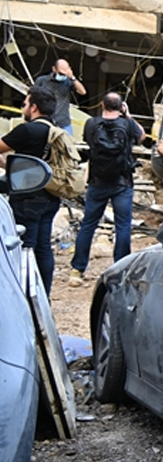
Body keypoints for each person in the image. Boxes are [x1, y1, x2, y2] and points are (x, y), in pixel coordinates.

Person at [68, 93, 144, 287]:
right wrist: (128, 116)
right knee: (123, 225)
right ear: (121, 107)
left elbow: (89, 143)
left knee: (88, 225)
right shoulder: (127, 125)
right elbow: (142, 136)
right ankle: (120, 268)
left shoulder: (91, 124)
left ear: (102, 105)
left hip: (97, 181)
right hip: (122, 182)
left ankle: (77, 270)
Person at [0, 87, 62, 293]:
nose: (23, 108)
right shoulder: (55, 130)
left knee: (24, 248)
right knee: (44, 247)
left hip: (27, 198)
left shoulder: (27, 130)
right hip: (51, 195)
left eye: (25, 103)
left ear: (34, 107)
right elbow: (30, 163)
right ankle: (43, 295)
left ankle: (22, 295)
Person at [34, 59, 86, 134]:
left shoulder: (68, 81)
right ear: (54, 69)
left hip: (63, 122)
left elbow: (83, 92)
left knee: (68, 144)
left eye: (65, 74)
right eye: (61, 73)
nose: (63, 76)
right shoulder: (42, 81)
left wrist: (72, 78)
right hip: (45, 121)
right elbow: (33, 98)